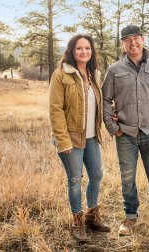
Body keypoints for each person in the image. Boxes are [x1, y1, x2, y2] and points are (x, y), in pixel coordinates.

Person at [102, 25, 149, 237]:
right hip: (125, 133)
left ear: (143, 39)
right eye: (127, 40)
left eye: (136, 38)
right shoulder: (114, 70)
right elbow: (105, 100)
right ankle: (130, 216)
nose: (133, 43)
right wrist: (113, 127)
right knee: (127, 178)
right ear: (122, 44)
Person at [49, 34, 110, 241]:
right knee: (75, 180)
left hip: (92, 137)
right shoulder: (61, 75)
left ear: (92, 51)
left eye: (87, 48)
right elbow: (55, 110)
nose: (84, 52)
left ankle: (92, 217)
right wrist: (62, 140)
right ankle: (77, 222)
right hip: (71, 139)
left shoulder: (94, 74)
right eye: (79, 48)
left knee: (97, 176)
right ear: (71, 50)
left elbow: (96, 104)